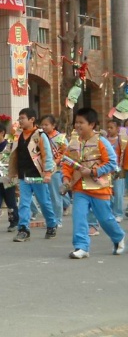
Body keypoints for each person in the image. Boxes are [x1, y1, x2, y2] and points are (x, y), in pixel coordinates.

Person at [62, 107, 125, 259]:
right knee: (79, 217)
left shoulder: (101, 141)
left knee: (105, 219)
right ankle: (81, 247)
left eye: (81, 122)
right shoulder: (73, 142)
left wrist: (93, 172)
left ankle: (118, 237)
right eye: (76, 122)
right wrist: (66, 178)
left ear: (91, 124)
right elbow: (67, 163)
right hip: (79, 188)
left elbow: (112, 163)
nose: (77, 125)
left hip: (100, 188)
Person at [8, 108, 57, 242]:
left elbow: (47, 154)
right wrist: (11, 173)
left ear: (32, 120)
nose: (20, 121)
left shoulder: (40, 135)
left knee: (44, 202)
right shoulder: (18, 135)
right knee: (24, 203)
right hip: (23, 175)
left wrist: (47, 173)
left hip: (37, 175)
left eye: (22, 118)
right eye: (19, 118)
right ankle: (23, 229)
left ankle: (51, 224)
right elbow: (13, 154)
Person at [40, 114, 69, 228]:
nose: (44, 127)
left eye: (46, 125)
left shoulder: (60, 137)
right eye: (42, 125)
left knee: (55, 195)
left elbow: (66, 152)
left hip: (56, 169)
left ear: (53, 125)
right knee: (47, 196)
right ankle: (51, 218)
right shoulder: (41, 136)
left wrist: (56, 161)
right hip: (44, 169)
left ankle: (57, 219)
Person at [105, 119, 128, 222]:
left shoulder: (122, 140)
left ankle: (118, 213)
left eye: (111, 128)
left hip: (119, 169)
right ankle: (110, 211)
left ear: (118, 128)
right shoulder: (104, 140)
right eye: (108, 128)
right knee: (108, 192)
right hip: (106, 170)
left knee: (118, 192)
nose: (109, 130)